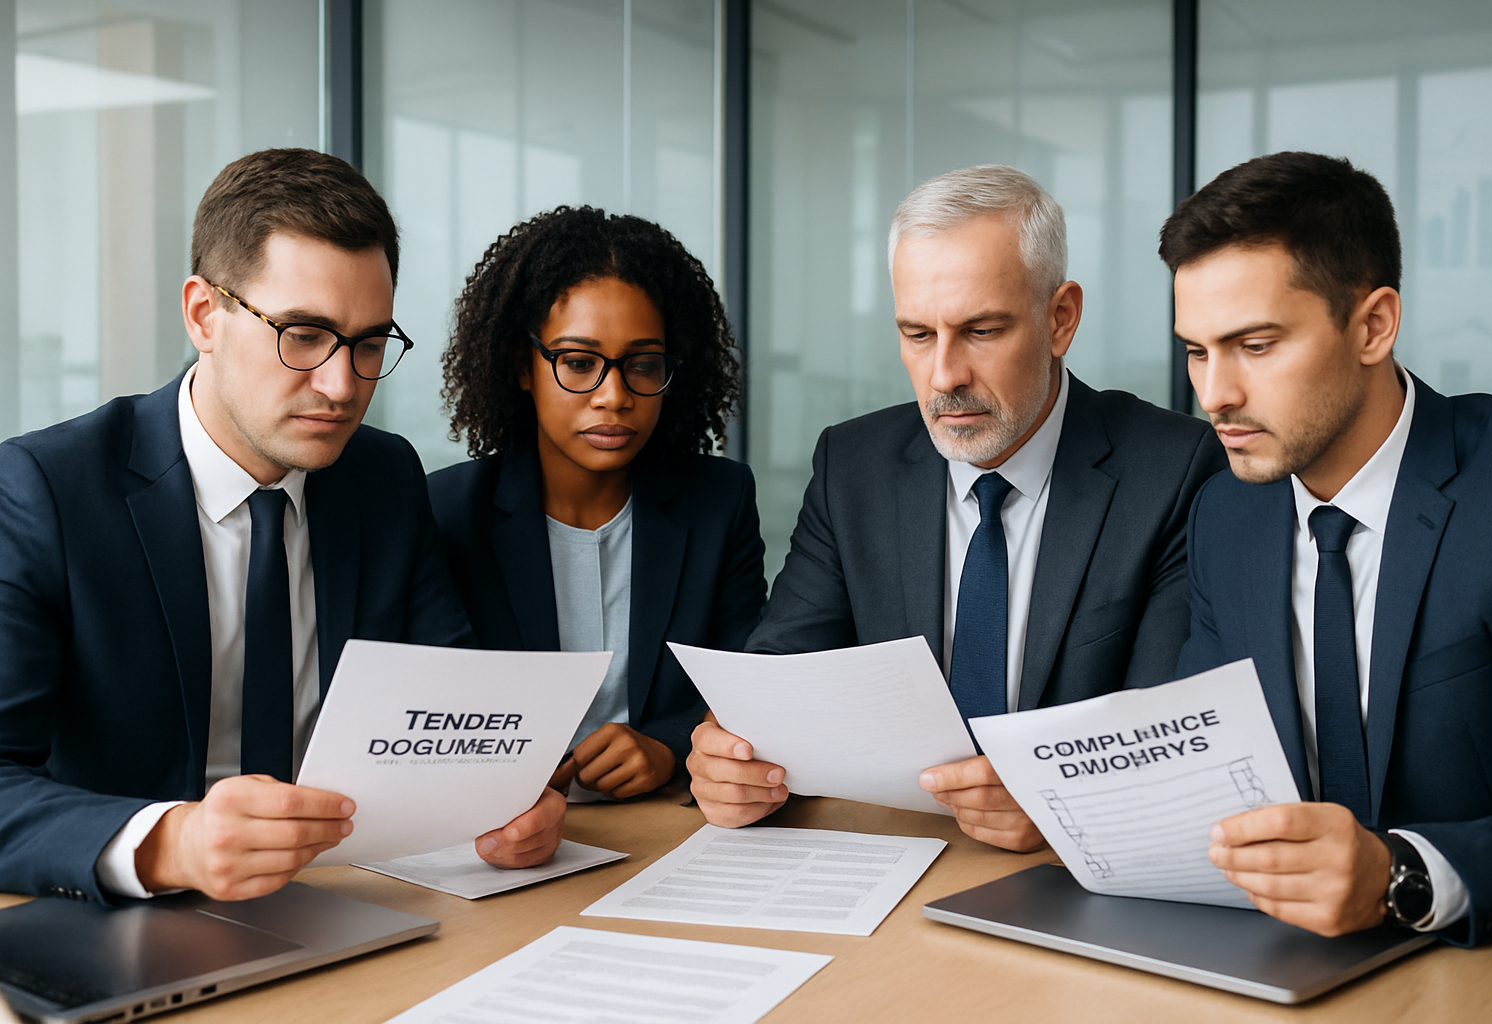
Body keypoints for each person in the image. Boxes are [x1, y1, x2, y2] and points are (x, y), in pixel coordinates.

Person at [0, 148, 563, 904]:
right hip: (126, 920)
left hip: (351, 897)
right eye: (302, 334)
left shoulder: (383, 478)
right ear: (204, 314)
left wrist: (506, 796)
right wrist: (173, 842)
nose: (341, 386)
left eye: (369, 344)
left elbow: (452, 710)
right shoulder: (47, 491)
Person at [687, 165, 1227, 851]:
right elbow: (780, 684)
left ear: (1060, 318)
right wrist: (732, 763)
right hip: (889, 860)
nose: (944, 376)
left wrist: (1064, 800)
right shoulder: (854, 466)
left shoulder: (1176, 471)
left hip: (1073, 880)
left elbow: (1175, 736)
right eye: (918, 335)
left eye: (981, 331)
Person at [1162, 151, 1492, 945]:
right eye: (1197, 350)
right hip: (1276, 957)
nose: (1214, 394)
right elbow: (1211, 764)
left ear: (1373, 326)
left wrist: (1401, 874)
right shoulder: (1225, 514)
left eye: (1255, 345)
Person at [429, 206, 765, 803]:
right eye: (579, 363)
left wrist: (668, 746)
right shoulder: (447, 514)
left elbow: (751, 684)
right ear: (523, 367)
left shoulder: (719, 502)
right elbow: (431, 716)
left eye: (643, 365)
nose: (614, 397)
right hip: (497, 835)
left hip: (670, 830)